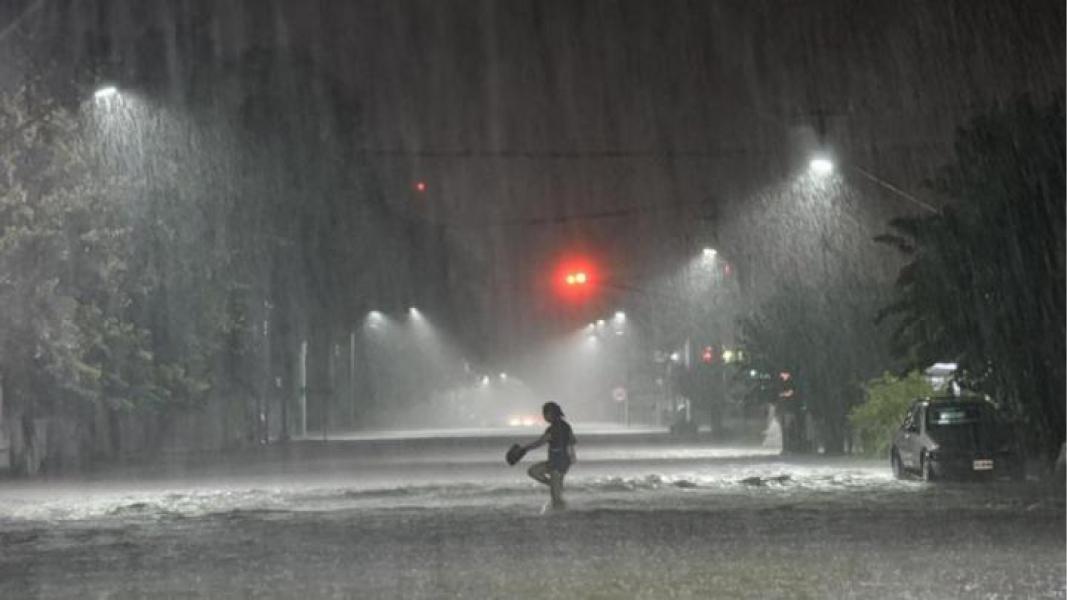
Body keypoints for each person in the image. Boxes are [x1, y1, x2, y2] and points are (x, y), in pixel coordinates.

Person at [521, 402, 576, 509]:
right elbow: (572, 441)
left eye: (544, 414)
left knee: (555, 497)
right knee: (533, 471)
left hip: (558, 462)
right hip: (561, 461)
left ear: (550, 414)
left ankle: (561, 515)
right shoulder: (566, 426)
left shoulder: (553, 429)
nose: (544, 417)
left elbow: (540, 442)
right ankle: (553, 485)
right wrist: (572, 456)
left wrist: (524, 449)